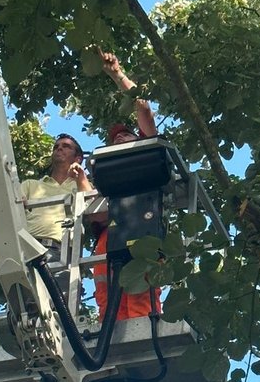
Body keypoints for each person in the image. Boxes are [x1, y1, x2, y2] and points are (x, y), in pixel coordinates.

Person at [92, 51, 162, 321]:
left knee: (141, 292)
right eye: (115, 137)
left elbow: (142, 108)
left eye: (126, 133)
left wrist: (117, 74)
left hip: (143, 225)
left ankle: (146, 332)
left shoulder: (146, 152)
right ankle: (109, 340)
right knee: (109, 302)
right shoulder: (105, 172)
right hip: (110, 235)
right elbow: (95, 213)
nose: (120, 137)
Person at [19, 133, 91, 306]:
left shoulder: (80, 185)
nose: (59, 148)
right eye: (56, 146)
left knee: (58, 313)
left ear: (78, 158)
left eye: (66, 146)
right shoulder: (31, 185)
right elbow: (14, 207)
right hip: (27, 250)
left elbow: (92, 206)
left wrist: (80, 177)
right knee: (24, 312)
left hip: (62, 253)